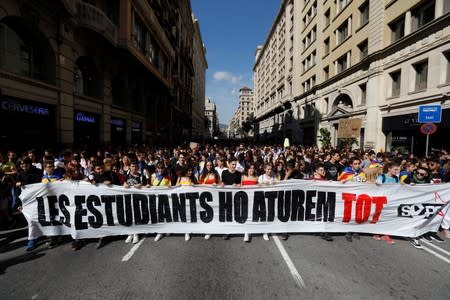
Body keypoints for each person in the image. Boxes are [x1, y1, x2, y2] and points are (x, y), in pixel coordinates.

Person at [373, 162, 400, 245]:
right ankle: (376, 233)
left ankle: (385, 234)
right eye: (395, 170)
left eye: (397, 170)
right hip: (381, 201)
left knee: (388, 217)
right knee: (378, 217)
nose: (397, 171)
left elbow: (399, 188)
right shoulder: (382, 177)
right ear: (389, 169)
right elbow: (375, 186)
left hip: (391, 201)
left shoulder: (396, 178)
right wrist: (377, 183)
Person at [123, 160, 148, 244]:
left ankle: (136, 233)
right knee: (129, 215)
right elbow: (122, 185)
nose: (134, 168)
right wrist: (124, 184)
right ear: (129, 167)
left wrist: (142, 185)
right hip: (129, 199)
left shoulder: (141, 176)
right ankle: (130, 233)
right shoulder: (126, 176)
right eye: (132, 166)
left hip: (138, 199)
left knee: (137, 215)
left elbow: (146, 186)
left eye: (136, 166)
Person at [220, 158, 242, 240]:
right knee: (227, 215)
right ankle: (226, 232)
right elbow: (222, 182)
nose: (234, 166)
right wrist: (221, 183)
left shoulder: (238, 174)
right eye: (232, 164)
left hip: (235, 197)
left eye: (235, 164)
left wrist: (238, 185)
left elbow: (240, 184)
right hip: (226, 196)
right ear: (228, 164)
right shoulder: (224, 172)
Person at [152, 163, 172, 242]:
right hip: (155, 199)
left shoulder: (167, 177)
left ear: (164, 169)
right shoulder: (153, 176)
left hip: (165, 199)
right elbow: (151, 185)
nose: (160, 169)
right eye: (159, 168)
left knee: (166, 214)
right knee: (158, 214)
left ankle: (166, 229)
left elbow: (170, 187)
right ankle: (159, 232)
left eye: (162, 168)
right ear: (157, 168)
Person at [240, 163, 259, 242]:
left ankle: (250, 230)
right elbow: (241, 187)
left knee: (252, 215)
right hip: (244, 199)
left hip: (253, 199)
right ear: (247, 169)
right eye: (250, 168)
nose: (251, 170)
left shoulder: (256, 178)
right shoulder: (243, 177)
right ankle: (246, 232)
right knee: (245, 215)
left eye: (253, 168)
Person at [257, 163, 275, 241]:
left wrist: (275, 183)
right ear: (265, 169)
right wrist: (263, 184)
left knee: (270, 214)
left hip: (271, 198)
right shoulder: (261, 177)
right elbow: (258, 185)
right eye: (267, 169)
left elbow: (279, 184)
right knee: (263, 214)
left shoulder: (274, 177)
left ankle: (268, 228)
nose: (269, 170)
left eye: (270, 169)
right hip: (263, 198)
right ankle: (264, 231)